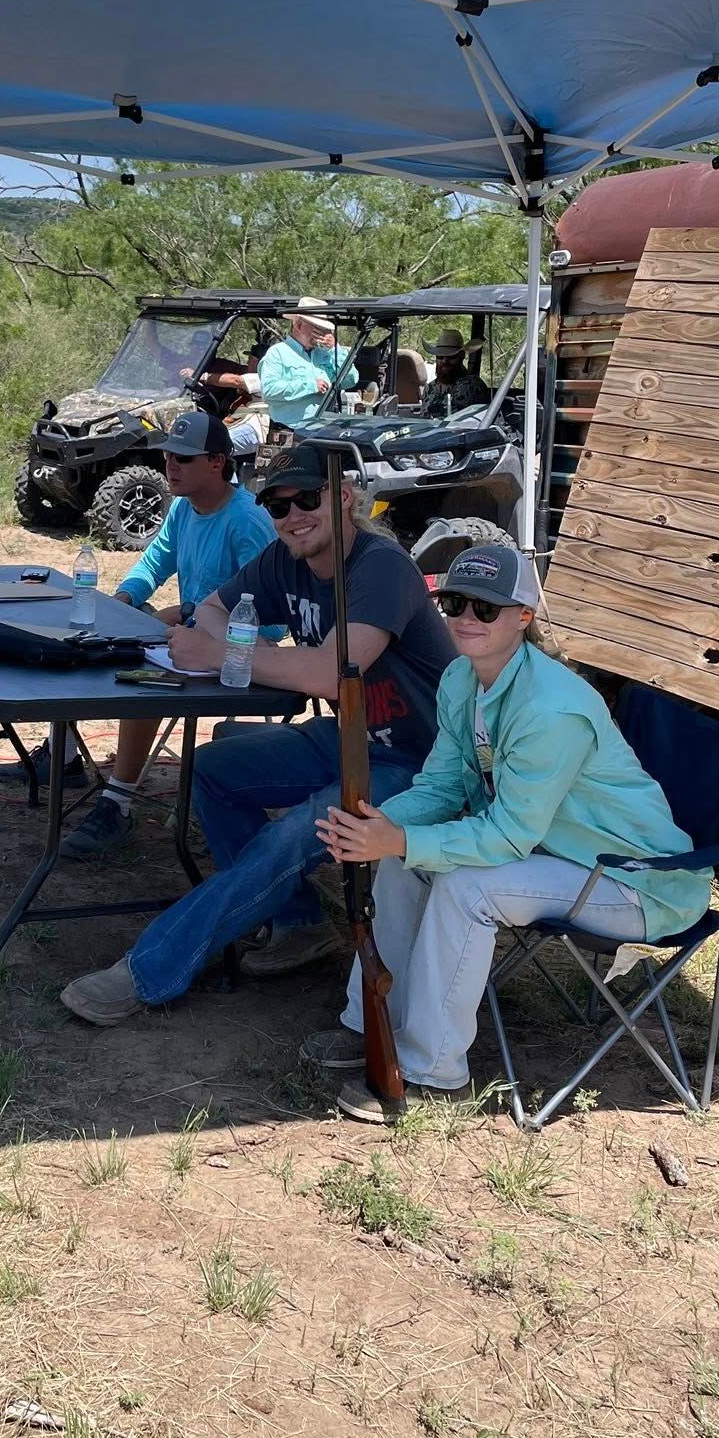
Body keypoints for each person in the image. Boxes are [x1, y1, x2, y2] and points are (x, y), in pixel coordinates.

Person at [311, 546, 712, 1123]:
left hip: (636, 880)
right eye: (454, 603)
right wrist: (382, 825)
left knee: (467, 887)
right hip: (557, 854)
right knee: (404, 863)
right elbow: (444, 785)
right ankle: (372, 1026)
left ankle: (432, 1073)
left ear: (524, 615)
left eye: (487, 607)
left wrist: (399, 839)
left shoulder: (551, 709)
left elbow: (506, 838)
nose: (467, 618)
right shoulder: (459, 678)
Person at [58, 445, 455, 1024]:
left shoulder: (381, 567)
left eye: (307, 499)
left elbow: (327, 673)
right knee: (212, 770)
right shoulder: (282, 561)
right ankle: (298, 923)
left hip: (424, 763)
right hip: (351, 740)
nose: (292, 514)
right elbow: (214, 610)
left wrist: (224, 655)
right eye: (276, 504)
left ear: (344, 499)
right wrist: (242, 650)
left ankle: (149, 971)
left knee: (292, 835)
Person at [58, 410, 277, 857]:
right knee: (85, 639)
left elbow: (272, 620)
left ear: (217, 462)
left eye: (183, 458)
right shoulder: (183, 507)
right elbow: (156, 562)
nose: (170, 466)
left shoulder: (247, 519)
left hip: (237, 654)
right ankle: (59, 757)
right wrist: (123, 600)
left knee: (141, 678)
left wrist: (189, 613)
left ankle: (117, 803)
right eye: (168, 455)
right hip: (191, 633)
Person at [257, 298, 358, 430]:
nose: (322, 334)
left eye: (323, 329)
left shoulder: (325, 354)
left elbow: (350, 380)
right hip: (289, 430)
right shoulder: (278, 353)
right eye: (317, 329)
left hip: (323, 429)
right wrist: (310, 385)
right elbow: (270, 391)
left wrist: (335, 349)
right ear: (299, 326)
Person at [423, 328, 492, 419]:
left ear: (461, 356)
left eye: (451, 356)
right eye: (440, 357)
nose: (445, 361)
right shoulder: (430, 388)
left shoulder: (472, 386)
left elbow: (469, 423)